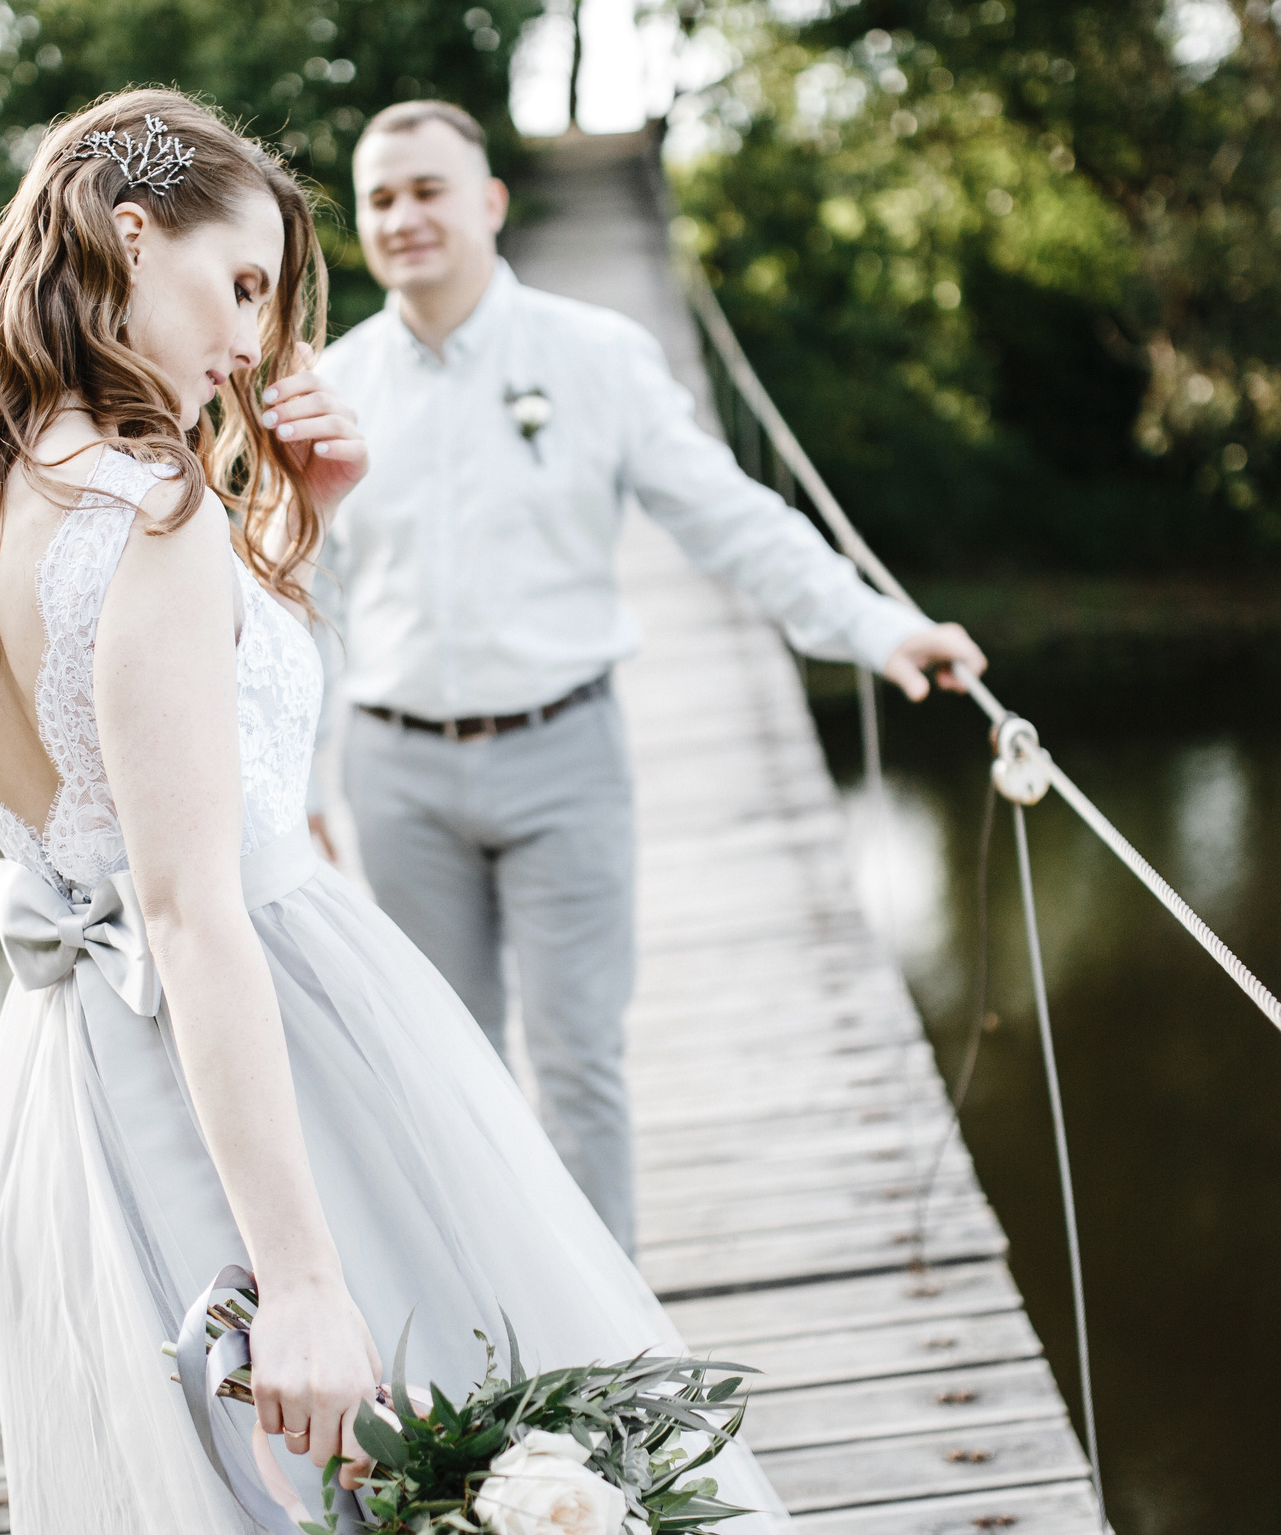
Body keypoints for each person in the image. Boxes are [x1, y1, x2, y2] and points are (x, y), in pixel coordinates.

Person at [0, 89, 867, 1535]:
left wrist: (298, 530)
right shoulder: (149, 517)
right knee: (413, 1472)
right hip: (268, 1039)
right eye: (240, 287)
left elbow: (142, 771)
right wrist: (299, 1278)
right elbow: (185, 898)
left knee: (244, 1524)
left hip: (85, 1075)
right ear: (127, 234)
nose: (258, 340)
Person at [316, 101, 988, 1254]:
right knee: (443, 1072)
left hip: (562, 759)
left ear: (488, 203)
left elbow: (732, 519)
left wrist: (879, 629)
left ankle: (610, 1356)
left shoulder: (596, 357)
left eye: (427, 189)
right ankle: (489, 1327)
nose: (402, 217)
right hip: (395, 777)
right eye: (380, 198)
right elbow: (303, 605)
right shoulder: (330, 385)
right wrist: (304, 790)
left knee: (581, 1060)